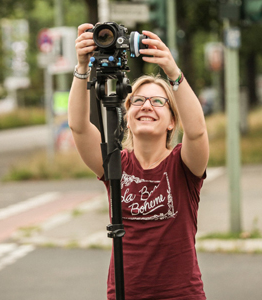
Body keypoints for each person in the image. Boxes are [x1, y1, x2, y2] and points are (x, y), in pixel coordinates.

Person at [69, 23, 209, 300]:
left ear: (172, 121)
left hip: (181, 295)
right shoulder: (114, 164)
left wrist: (172, 72)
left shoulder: (183, 165)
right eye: (138, 100)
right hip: (125, 293)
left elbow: (197, 131)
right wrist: (82, 67)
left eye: (158, 102)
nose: (146, 106)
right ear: (127, 116)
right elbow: (80, 127)